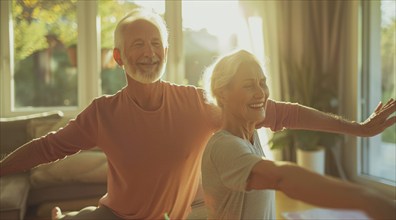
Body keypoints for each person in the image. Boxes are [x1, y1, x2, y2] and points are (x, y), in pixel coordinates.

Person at [0, 8, 394, 220]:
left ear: (166, 53)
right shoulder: (103, 113)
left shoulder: (196, 104)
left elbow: (279, 113)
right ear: (118, 57)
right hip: (117, 216)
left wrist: (358, 129)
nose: (149, 52)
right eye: (138, 44)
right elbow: (47, 148)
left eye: (156, 43)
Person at [201, 49, 396, 220]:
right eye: (248, 85)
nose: (261, 93)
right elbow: (282, 178)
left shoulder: (248, 123)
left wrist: (359, 128)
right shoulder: (225, 146)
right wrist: (367, 200)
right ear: (222, 93)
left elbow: (294, 114)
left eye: (262, 83)